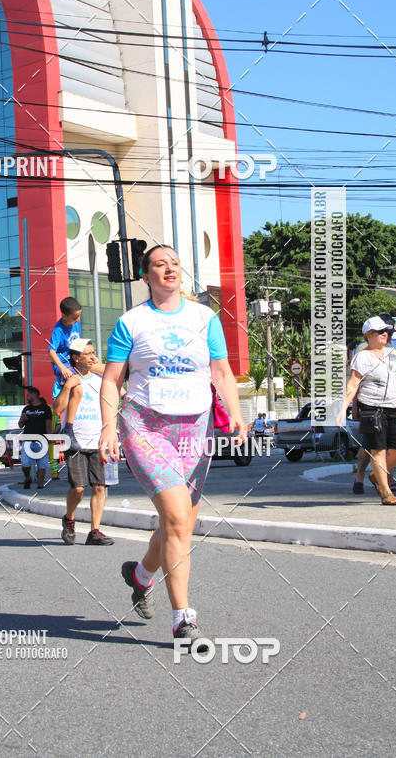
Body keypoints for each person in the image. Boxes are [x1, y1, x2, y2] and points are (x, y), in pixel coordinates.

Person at [99, 245, 245, 649]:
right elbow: (112, 380)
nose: (169, 269)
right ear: (146, 276)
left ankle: (141, 576)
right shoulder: (132, 322)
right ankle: (184, 620)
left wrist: (234, 411)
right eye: (160, 265)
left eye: (175, 263)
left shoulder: (204, 318)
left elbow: (220, 370)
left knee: (176, 523)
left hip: (194, 429)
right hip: (144, 424)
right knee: (179, 518)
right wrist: (108, 428)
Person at [337, 316, 396, 505]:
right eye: (381, 332)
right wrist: (343, 409)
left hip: (394, 406)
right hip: (371, 408)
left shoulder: (393, 353)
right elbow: (353, 384)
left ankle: (376, 475)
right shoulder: (362, 356)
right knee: (378, 450)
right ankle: (386, 492)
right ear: (369, 334)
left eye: (387, 332)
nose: (385, 335)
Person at [54, 339, 115, 546]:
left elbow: (119, 390)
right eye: (87, 354)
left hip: (99, 440)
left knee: (100, 487)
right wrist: (67, 388)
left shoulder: (101, 377)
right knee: (78, 488)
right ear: (75, 358)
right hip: (76, 441)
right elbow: (57, 409)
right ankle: (69, 519)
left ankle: (94, 531)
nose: (91, 356)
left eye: (92, 353)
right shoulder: (66, 378)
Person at [49, 296, 104, 450]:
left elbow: (78, 343)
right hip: (65, 365)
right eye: (75, 317)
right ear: (64, 316)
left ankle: (124, 395)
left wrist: (91, 356)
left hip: (74, 359)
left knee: (103, 369)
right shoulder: (58, 329)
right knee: (78, 388)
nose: (78, 319)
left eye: (79, 315)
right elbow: (51, 352)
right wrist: (63, 368)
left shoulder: (76, 323)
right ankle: (69, 428)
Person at [19, 386, 52, 489]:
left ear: (34, 395)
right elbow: (20, 425)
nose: (27, 397)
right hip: (28, 439)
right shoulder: (26, 409)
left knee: (42, 465)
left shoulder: (45, 408)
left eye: (28, 395)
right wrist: (22, 420)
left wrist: (48, 437)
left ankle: (40, 485)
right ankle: (27, 477)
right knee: (25, 464)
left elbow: (48, 424)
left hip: (41, 440)